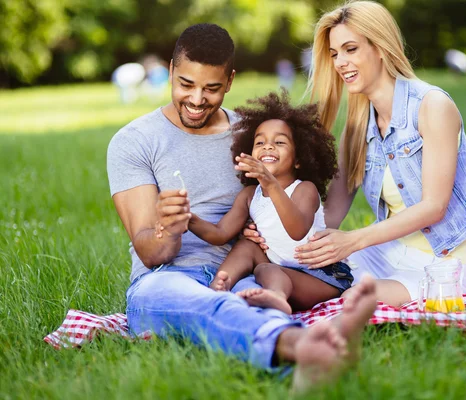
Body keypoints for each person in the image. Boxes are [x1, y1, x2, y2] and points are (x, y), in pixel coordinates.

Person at [106, 23, 376, 390]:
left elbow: (288, 198)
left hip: (244, 271)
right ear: (170, 71)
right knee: (211, 306)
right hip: (165, 280)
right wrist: (168, 229)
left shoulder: (252, 136)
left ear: (230, 81)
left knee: (251, 300)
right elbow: (150, 252)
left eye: (211, 88)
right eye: (185, 84)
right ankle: (301, 345)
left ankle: (302, 360)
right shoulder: (133, 142)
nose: (197, 99)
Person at [245, 1, 466, 307]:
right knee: (288, 269)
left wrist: (353, 241)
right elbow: (330, 215)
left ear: (381, 48)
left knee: (352, 299)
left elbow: (434, 207)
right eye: (335, 54)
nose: (339, 62)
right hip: (387, 250)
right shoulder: (358, 127)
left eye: (350, 49)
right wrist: (274, 232)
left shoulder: (432, 106)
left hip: (443, 259)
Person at [163, 90, 353, 315]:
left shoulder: (304, 189)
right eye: (260, 142)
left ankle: (277, 298)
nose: (268, 147)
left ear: (300, 158)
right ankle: (217, 288)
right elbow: (220, 233)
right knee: (247, 246)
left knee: (266, 269)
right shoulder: (249, 195)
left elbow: (297, 230)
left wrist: (271, 184)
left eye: (279, 142)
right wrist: (190, 219)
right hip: (280, 270)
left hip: (320, 278)